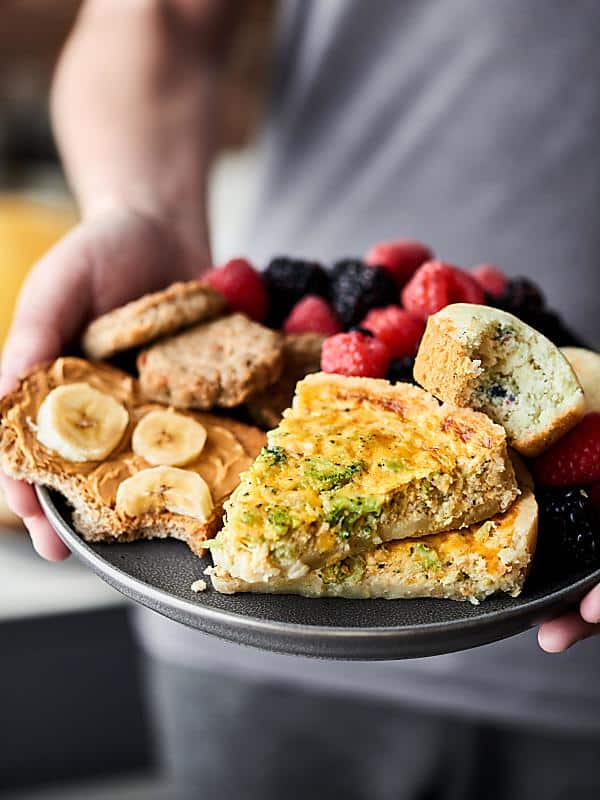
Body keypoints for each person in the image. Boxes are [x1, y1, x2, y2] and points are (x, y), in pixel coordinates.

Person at [2, 1, 600, 797]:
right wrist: (137, 209)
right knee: (246, 554)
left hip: (580, 673)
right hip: (251, 653)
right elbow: (158, 20)